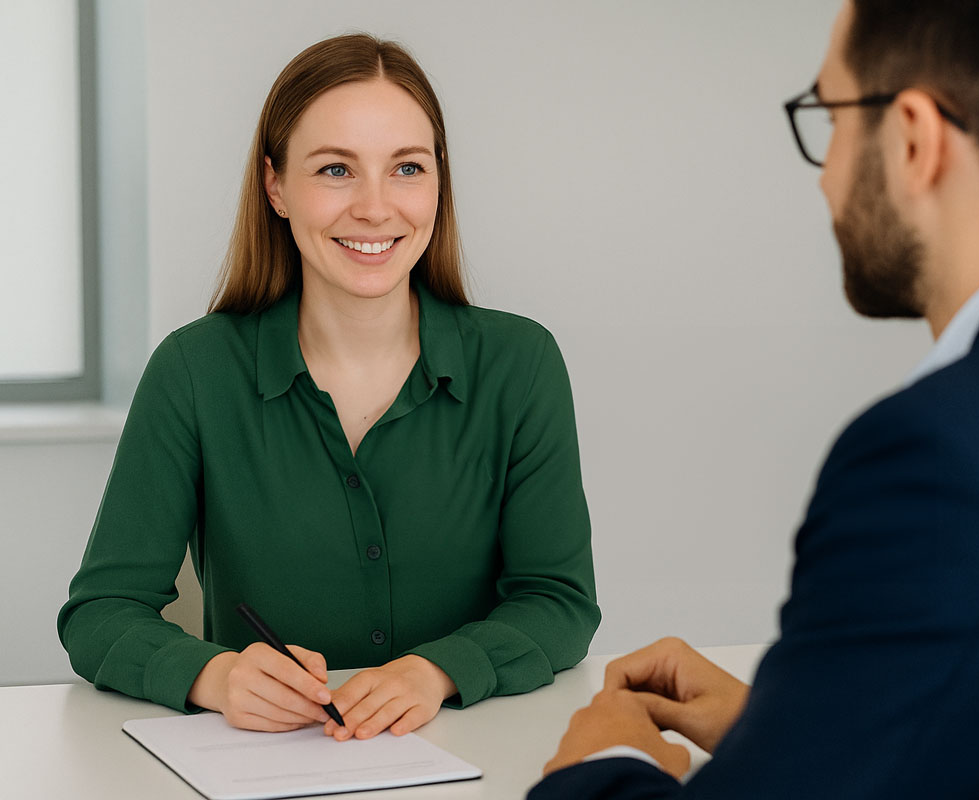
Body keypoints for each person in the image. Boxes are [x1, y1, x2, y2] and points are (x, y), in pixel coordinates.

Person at [531, 0, 979, 796]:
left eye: (832, 116)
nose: (826, 174)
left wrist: (601, 762)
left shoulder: (943, 460)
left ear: (914, 138)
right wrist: (794, 724)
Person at [58, 33, 599, 741]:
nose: (375, 208)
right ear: (276, 186)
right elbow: (101, 612)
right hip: (265, 764)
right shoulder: (193, 370)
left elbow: (558, 602)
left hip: (476, 759)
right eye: (336, 170)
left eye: (407, 167)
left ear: (439, 181)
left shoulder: (521, 364)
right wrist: (215, 676)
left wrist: (436, 672)